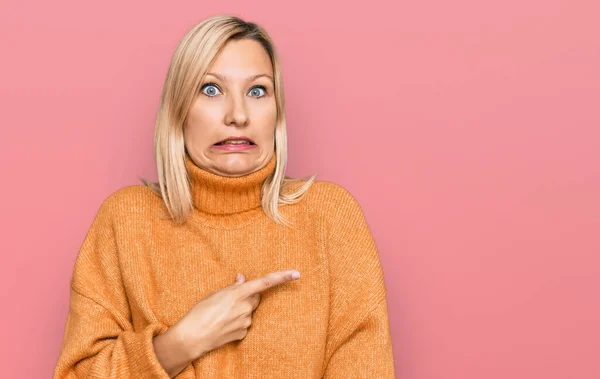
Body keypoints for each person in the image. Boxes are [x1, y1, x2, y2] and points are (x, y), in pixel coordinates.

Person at [53, 14, 396, 378]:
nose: (238, 115)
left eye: (257, 90)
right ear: (179, 110)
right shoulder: (125, 221)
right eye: (211, 89)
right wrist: (182, 342)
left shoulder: (330, 217)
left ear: (277, 112)